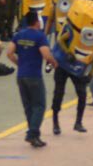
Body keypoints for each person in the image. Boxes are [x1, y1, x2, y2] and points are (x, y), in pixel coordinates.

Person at [6, 11, 58, 148]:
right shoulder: (39, 36)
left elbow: (9, 52)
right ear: (37, 22)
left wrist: (19, 64)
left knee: (29, 107)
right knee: (39, 106)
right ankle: (32, 133)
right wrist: (54, 62)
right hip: (34, 75)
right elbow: (46, 54)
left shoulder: (18, 35)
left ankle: (35, 137)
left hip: (21, 76)